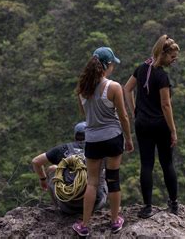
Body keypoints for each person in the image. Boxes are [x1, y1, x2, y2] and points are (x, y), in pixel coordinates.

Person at [72, 46, 134, 236]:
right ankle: (115, 221)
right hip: (113, 137)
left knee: (92, 183)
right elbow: (123, 116)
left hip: (92, 140)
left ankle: (84, 225)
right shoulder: (113, 87)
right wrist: (129, 139)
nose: (113, 67)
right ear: (107, 65)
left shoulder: (82, 90)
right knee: (113, 180)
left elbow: (86, 116)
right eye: (112, 64)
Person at [124, 34, 180, 218]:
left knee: (146, 164)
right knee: (167, 163)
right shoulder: (162, 76)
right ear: (163, 55)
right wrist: (172, 130)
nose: (174, 60)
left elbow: (127, 89)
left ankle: (147, 207)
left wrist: (135, 111)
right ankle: (173, 205)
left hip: (142, 124)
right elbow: (166, 105)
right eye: (172, 57)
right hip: (160, 125)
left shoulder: (141, 68)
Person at [31, 122, 107, 215]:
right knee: (103, 171)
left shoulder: (63, 149)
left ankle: (57, 206)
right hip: (95, 206)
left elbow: (36, 161)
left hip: (68, 207)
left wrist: (43, 179)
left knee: (53, 169)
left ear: (75, 136)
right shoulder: (100, 149)